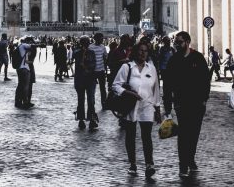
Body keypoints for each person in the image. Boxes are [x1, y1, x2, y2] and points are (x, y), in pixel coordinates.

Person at [163, 31, 210, 178]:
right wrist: (168, 107)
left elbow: (206, 80)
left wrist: (204, 99)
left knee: (194, 134)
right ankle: (183, 164)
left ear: (188, 42)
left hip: (197, 103)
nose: (177, 45)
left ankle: (191, 158)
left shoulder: (198, 58)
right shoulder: (173, 60)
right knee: (183, 134)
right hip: (181, 104)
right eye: (175, 42)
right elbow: (168, 85)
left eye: (180, 42)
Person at [113, 42, 161, 178]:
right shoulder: (127, 67)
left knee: (147, 136)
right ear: (135, 52)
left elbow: (156, 90)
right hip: (130, 106)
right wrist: (129, 93)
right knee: (130, 136)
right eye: (140, 50)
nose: (143, 53)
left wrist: (157, 108)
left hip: (147, 106)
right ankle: (132, 164)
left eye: (146, 51)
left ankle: (149, 164)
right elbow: (115, 86)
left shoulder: (151, 69)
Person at [73, 36, 98, 130]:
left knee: (91, 100)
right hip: (80, 80)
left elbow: (94, 64)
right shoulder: (77, 52)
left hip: (90, 79)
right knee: (81, 100)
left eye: (87, 43)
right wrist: (82, 52)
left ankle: (91, 119)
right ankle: (81, 119)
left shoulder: (92, 52)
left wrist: (88, 68)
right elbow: (74, 57)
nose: (86, 45)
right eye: (84, 43)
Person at [15, 37, 35, 109]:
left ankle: (17, 101)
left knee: (20, 85)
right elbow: (32, 46)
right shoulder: (24, 46)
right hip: (24, 68)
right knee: (26, 86)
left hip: (19, 68)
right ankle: (25, 101)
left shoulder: (20, 47)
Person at [89, 33, 108, 108]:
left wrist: (105, 69)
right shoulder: (90, 47)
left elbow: (105, 57)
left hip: (101, 70)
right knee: (92, 89)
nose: (102, 40)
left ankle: (104, 103)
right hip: (93, 71)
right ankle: (92, 104)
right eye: (101, 38)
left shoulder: (103, 47)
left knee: (103, 88)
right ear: (96, 39)